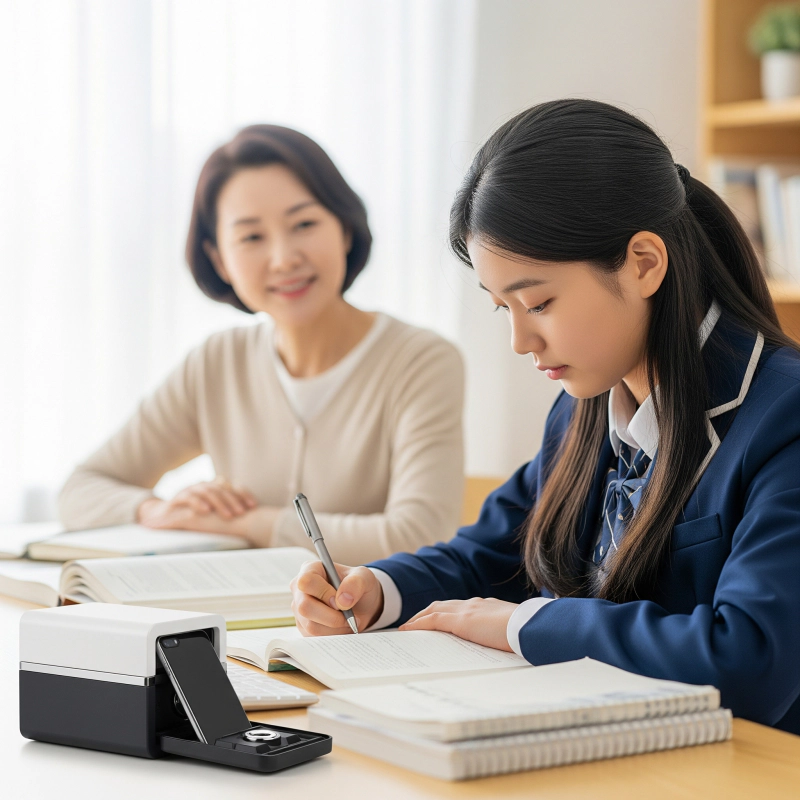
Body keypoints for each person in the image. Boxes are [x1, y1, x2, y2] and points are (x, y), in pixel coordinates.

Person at [290, 99, 800, 734]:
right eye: (502, 308)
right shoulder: (583, 406)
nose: (520, 340)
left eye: (539, 302)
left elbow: (749, 659)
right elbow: (497, 553)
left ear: (644, 263)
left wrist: (520, 625)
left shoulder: (784, 417)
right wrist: (378, 590)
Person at [58, 125, 465, 564]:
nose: (284, 258)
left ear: (345, 229)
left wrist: (245, 523)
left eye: (304, 224)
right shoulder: (216, 363)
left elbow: (421, 535)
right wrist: (160, 511)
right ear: (220, 260)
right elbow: (81, 489)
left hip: (363, 629)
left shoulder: (421, 361)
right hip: (233, 623)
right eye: (252, 236)